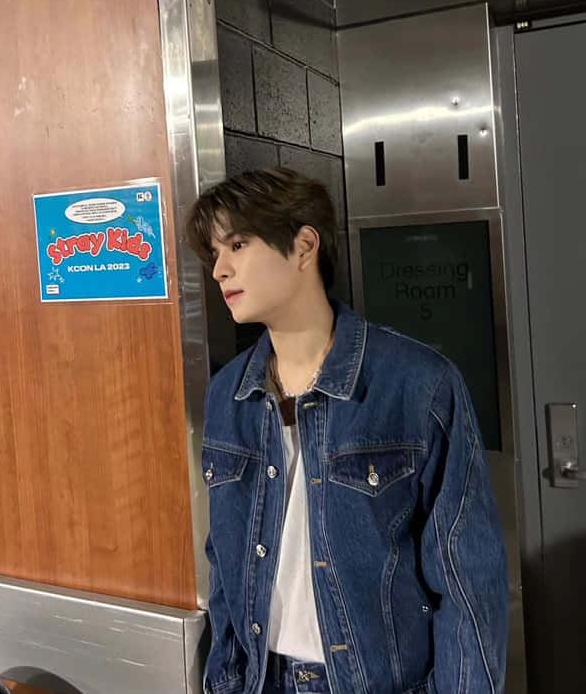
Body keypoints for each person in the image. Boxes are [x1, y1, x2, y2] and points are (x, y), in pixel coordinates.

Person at [186, 168, 508, 694]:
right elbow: (225, 564)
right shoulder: (229, 394)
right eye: (214, 254)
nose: (219, 270)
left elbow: (469, 587)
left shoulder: (417, 383)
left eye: (237, 245)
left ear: (304, 245)